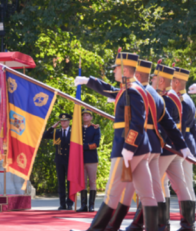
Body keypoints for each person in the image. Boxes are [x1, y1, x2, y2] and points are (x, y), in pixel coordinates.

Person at [75, 52, 158, 231]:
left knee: (112, 193)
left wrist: (128, 147)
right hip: (140, 149)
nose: (114, 72)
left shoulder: (132, 91)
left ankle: (95, 229)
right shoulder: (130, 89)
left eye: (116, 69)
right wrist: (87, 81)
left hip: (127, 149)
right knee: (147, 195)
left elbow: (136, 123)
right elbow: (110, 90)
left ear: (126, 70)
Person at [105, 61, 191, 231]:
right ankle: (160, 225)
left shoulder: (146, 93)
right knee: (159, 188)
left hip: (156, 146)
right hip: (166, 146)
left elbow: (165, 124)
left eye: (155, 78)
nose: (153, 81)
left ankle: (130, 224)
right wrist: (183, 146)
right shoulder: (163, 96)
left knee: (141, 188)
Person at [172, 67, 196, 230]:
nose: (170, 83)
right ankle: (189, 219)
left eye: (173, 80)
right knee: (184, 182)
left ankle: (189, 220)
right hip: (186, 143)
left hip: (182, 144)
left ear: (178, 82)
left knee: (185, 183)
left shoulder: (182, 100)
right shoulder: (185, 98)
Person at [42, 113, 73, 210]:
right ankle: (62, 204)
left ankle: (70, 204)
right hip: (59, 160)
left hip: (70, 160)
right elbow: (44, 135)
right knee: (61, 183)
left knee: (70, 183)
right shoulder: (57, 132)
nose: (63, 122)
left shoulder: (74, 131)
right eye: (62, 121)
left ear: (69, 122)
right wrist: (52, 127)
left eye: (65, 121)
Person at [76, 109, 100, 213]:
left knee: (92, 182)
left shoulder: (95, 128)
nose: (85, 117)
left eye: (87, 115)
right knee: (83, 182)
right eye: (84, 115)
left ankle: (91, 206)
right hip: (80, 159)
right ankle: (83, 205)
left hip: (91, 159)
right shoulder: (78, 129)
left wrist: (81, 147)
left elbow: (95, 144)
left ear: (91, 117)